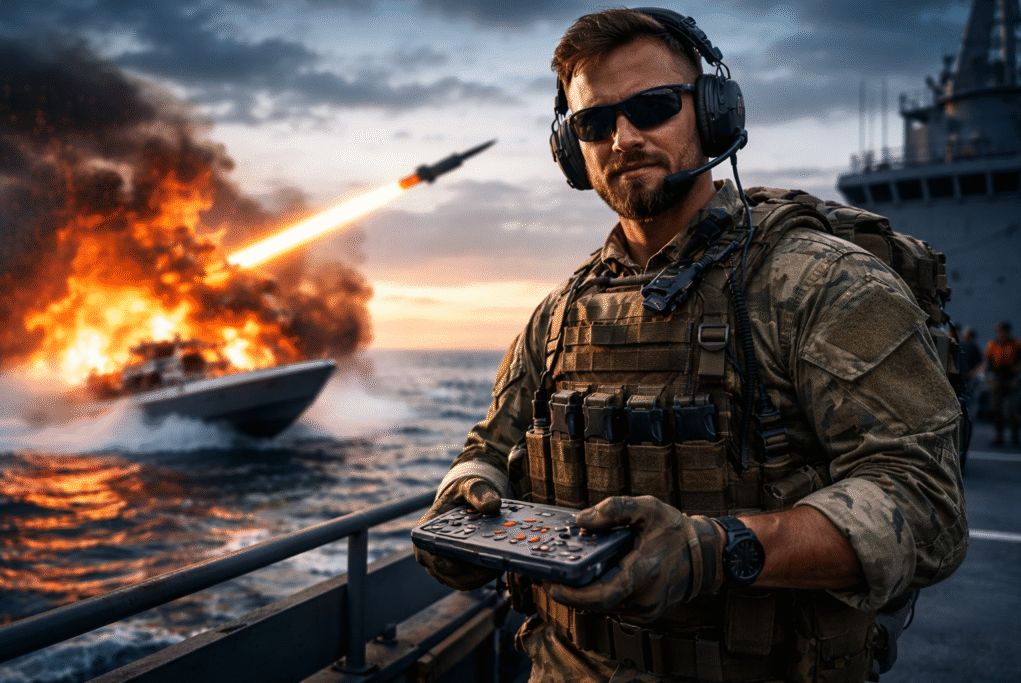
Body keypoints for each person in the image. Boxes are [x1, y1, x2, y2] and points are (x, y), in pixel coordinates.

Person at [414, 8, 968, 682]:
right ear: (571, 150)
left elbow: (926, 506)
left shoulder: (818, 284)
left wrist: (718, 548)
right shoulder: (558, 317)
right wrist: (467, 495)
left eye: (651, 107)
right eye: (593, 123)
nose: (623, 138)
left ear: (713, 114)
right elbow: (485, 449)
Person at [984, 320, 1021, 446]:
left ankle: (1015, 435)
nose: (1000, 333)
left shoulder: (1016, 344)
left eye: (1002, 331)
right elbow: (988, 362)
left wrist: (1018, 377)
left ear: (1007, 331)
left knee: (1012, 410)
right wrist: (988, 376)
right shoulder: (993, 344)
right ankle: (999, 435)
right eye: (999, 331)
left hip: (1012, 379)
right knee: (996, 408)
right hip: (997, 379)